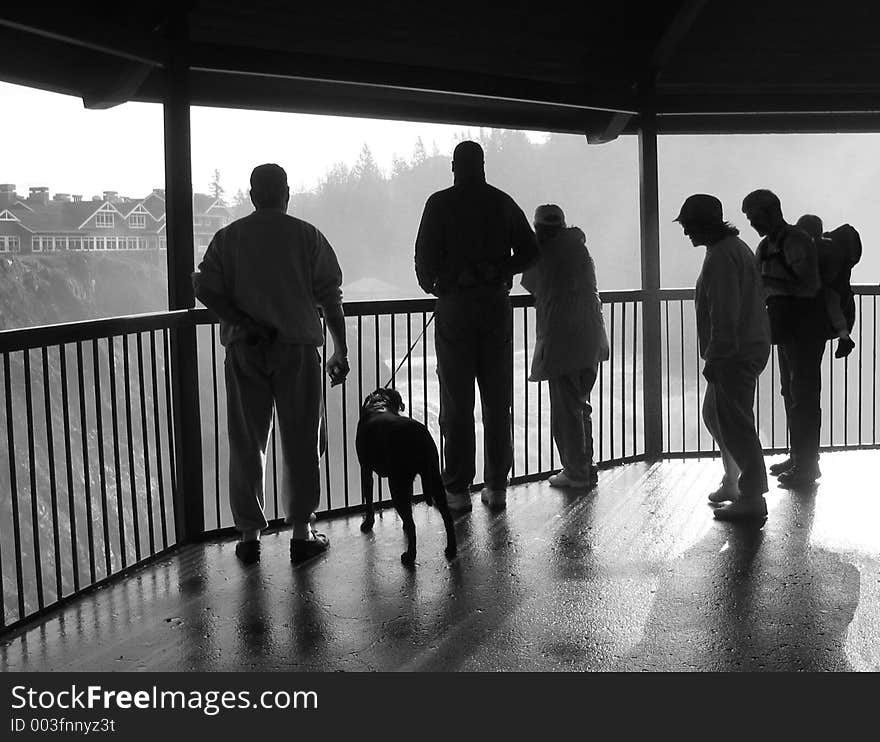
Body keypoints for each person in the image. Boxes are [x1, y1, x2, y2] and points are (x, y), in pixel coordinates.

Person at [192, 163, 349, 564]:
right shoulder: (307, 236)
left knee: (247, 441)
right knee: (301, 441)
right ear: (286, 193)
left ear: (251, 195)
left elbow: (205, 287)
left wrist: (243, 321)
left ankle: (249, 536)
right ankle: (301, 531)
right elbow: (330, 295)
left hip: (245, 348)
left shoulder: (228, 238)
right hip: (296, 348)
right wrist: (340, 349)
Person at [414, 141, 538, 512]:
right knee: (498, 399)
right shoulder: (501, 202)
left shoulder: (439, 204)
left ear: (454, 166)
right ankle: (497, 485)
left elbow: (423, 263)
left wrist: (439, 285)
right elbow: (531, 252)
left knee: (456, 399)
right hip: (496, 307)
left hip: (454, 309)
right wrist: (499, 271)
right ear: (483, 165)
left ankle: (456, 488)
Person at [676, 194, 771, 520]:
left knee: (735, 423)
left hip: (735, 352)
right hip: (743, 348)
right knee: (717, 416)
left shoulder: (720, 258)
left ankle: (752, 495)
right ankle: (734, 480)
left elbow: (724, 312)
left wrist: (717, 356)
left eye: (689, 225)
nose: (687, 232)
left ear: (704, 224)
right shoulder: (731, 250)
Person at [521, 204, 608, 489]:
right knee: (581, 405)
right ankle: (586, 465)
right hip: (591, 337)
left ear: (538, 228)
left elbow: (529, 283)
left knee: (565, 410)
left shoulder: (544, 252)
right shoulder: (580, 249)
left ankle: (576, 471)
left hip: (563, 341)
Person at [742, 189, 824, 488]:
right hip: (789, 327)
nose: (753, 224)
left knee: (802, 393)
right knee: (792, 392)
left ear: (772, 212)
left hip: (803, 327)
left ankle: (807, 464)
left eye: (755, 217)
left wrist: (767, 283)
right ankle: (800, 457)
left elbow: (810, 286)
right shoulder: (769, 245)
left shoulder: (794, 241)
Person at [795, 214, 856, 359]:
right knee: (835, 311)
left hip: (823, 290)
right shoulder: (830, 245)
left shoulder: (811, 248)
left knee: (833, 308)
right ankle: (844, 338)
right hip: (829, 288)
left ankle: (845, 339)